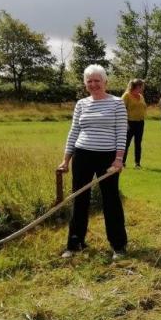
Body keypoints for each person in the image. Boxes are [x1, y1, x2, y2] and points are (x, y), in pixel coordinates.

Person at [57, 64, 128, 260]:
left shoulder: (116, 103)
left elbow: (122, 133)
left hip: (107, 158)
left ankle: (119, 246)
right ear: (85, 84)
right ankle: (75, 243)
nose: (94, 84)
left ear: (106, 82)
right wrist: (66, 160)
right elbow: (74, 132)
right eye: (90, 81)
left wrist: (119, 159)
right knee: (79, 200)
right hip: (82, 156)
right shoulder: (81, 104)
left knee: (111, 200)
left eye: (97, 80)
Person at [121, 78, 146, 168]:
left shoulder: (141, 96)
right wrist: (125, 122)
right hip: (129, 122)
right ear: (137, 86)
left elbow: (143, 107)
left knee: (138, 143)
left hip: (140, 122)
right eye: (142, 86)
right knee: (126, 143)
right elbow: (121, 109)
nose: (143, 87)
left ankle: (137, 163)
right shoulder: (126, 95)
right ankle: (122, 162)